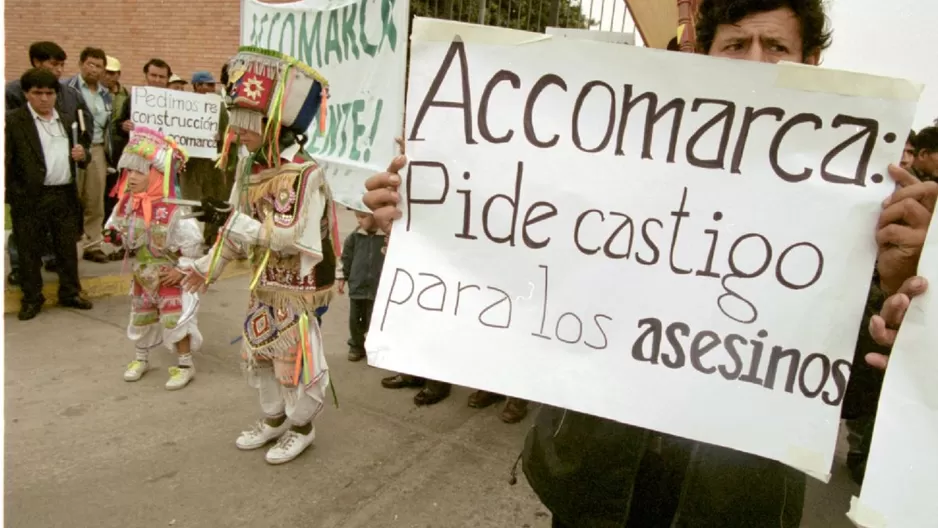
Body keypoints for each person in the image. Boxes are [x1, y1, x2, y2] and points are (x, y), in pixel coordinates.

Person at [361, 1, 937, 525]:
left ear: (811, 62)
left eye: (777, 47)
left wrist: (896, 293)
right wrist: (425, 221)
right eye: (736, 45)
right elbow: (524, 261)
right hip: (593, 480)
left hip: (730, 503)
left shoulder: (861, 209)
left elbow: (853, 397)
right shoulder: (624, 155)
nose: (757, 64)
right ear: (704, 56)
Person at [181, 46, 339, 465]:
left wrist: (244, 227)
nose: (239, 133)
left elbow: (295, 237)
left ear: (272, 124)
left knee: (293, 360)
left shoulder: (306, 172)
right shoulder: (248, 167)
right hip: (262, 285)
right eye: (237, 124)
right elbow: (237, 228)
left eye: (248, 125)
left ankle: (302, 426)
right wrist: (205, 268)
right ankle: (273, 420)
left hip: (296, 288)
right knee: (258, 353)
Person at [105, 127, 204, 390]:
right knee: (141, 316)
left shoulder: (173, 207)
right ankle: (141, 359)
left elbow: (192, 245)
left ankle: (185, 365)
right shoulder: (127, 203)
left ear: (158, 174)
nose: (132, 177)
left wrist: (181, 271)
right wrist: (113, 236)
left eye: (139, 171)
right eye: (129, 171)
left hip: (168, 274)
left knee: (175, 319)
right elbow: (116, 229)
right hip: (143, 273)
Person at [6, 68, 94, 320]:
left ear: (56, 94)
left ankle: (70, 292)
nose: (44, 98)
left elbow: (83, 152)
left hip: (63, 193)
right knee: (29, 249)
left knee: (66, 247)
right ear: (26, 94)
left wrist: (83, 156)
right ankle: (32, 298)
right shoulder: (13, 122)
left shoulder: (67, 120)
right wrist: (15, 194)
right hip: (30, 196)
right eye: (37, 93)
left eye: (49, 93)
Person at [65, 47, 113, 263]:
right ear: (81, 64)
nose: (94, 70)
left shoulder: (106, 94)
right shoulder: (67, 88)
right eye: (90, 64)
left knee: (95, 199)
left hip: (97, 149)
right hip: (73, 148)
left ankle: (93, 244)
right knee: (71, 198)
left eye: (99, 66)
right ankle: (67, 246)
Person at [182, 71, 238, 245]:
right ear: (197, 86)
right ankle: (190, 239)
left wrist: (222, 137)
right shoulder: (184, 105)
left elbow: (228, 133)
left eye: (213, 85)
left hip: (213, 162)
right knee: (192, 200)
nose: (211, 88)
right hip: (191, 163)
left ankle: (211, 237)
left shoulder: (218, 106)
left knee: (215, 198)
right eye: (207, 85)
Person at [338, 211, 386, 362]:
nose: (359, 221)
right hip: (357, 285)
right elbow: (346, 257)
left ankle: (376, 347)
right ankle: (356, 346)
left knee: (375, 319)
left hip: (377, 287)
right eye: (357, 217)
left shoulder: (385, 237)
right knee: (355, 320)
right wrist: (342, 277)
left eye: (363, 217)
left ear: (375, 216)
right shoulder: (354, 237)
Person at [112, 58, 171, 159]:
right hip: (138, 155)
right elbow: (117, 125)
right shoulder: (134, 98)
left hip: (164, 156)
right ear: (146, 75)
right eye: (153, 75)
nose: (157, 80)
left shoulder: (176, 102)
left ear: (167, 79)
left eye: (161, 77)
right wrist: (124, 126)